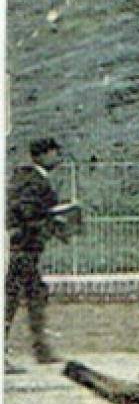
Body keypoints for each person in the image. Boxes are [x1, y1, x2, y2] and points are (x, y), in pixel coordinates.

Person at [6, 137, 77, 373]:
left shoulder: (28, 178)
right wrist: (56, 215)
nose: (57, 158)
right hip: (21, 249)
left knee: (31, 296)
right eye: (54, 153)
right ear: (43, 155)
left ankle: (41, 350)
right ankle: (36, 350)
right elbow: (27, 212)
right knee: (12, 300)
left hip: (24, 250)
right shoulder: (32, 181)